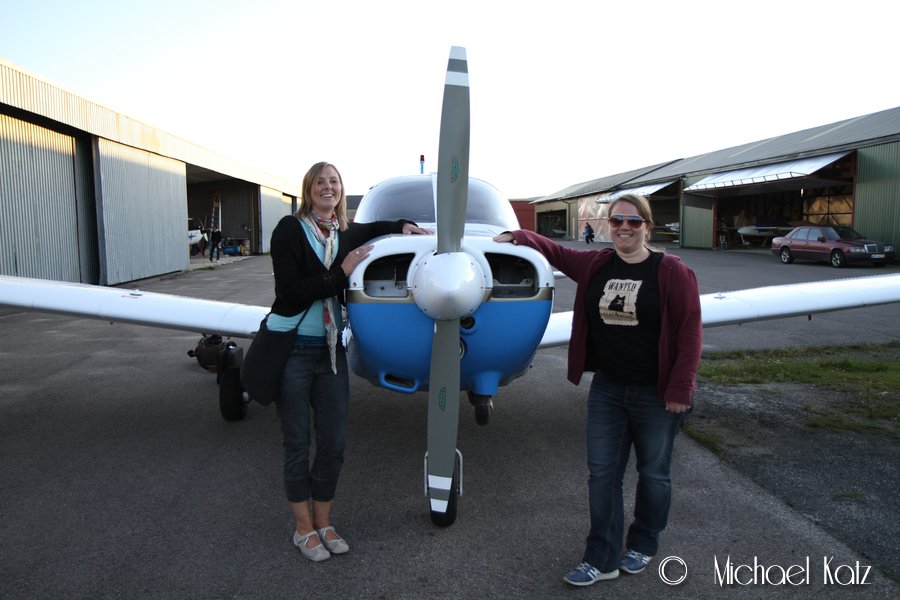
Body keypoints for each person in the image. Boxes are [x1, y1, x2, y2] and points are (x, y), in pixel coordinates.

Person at [493, 193, 702, 587]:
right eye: (617, 221)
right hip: (607, 389)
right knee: (602, 475)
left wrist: (680, 387)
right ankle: (601, 556)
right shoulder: (596, 263)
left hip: (656, 393)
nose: (624, 228)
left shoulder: (673, 272)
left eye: (633, 222)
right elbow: (555, 251)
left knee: (654, 474)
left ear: (647, 226)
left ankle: (643, 542)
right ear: (608, 225)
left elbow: (690, 332)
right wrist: (517, 236)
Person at [267, 161, 429, 562]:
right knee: (297, 443)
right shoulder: (289, 230)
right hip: (293, 350)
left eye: (334, 182)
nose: (328, 187)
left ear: (341, 191)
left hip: (330, 352)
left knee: (335, 443)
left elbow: (375, 229)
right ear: (308, 190)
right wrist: (343, 273)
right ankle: (302, 530)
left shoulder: (341, 232)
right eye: (320, 182)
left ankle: (323, 522)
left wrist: (405, 225)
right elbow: (289, 292)